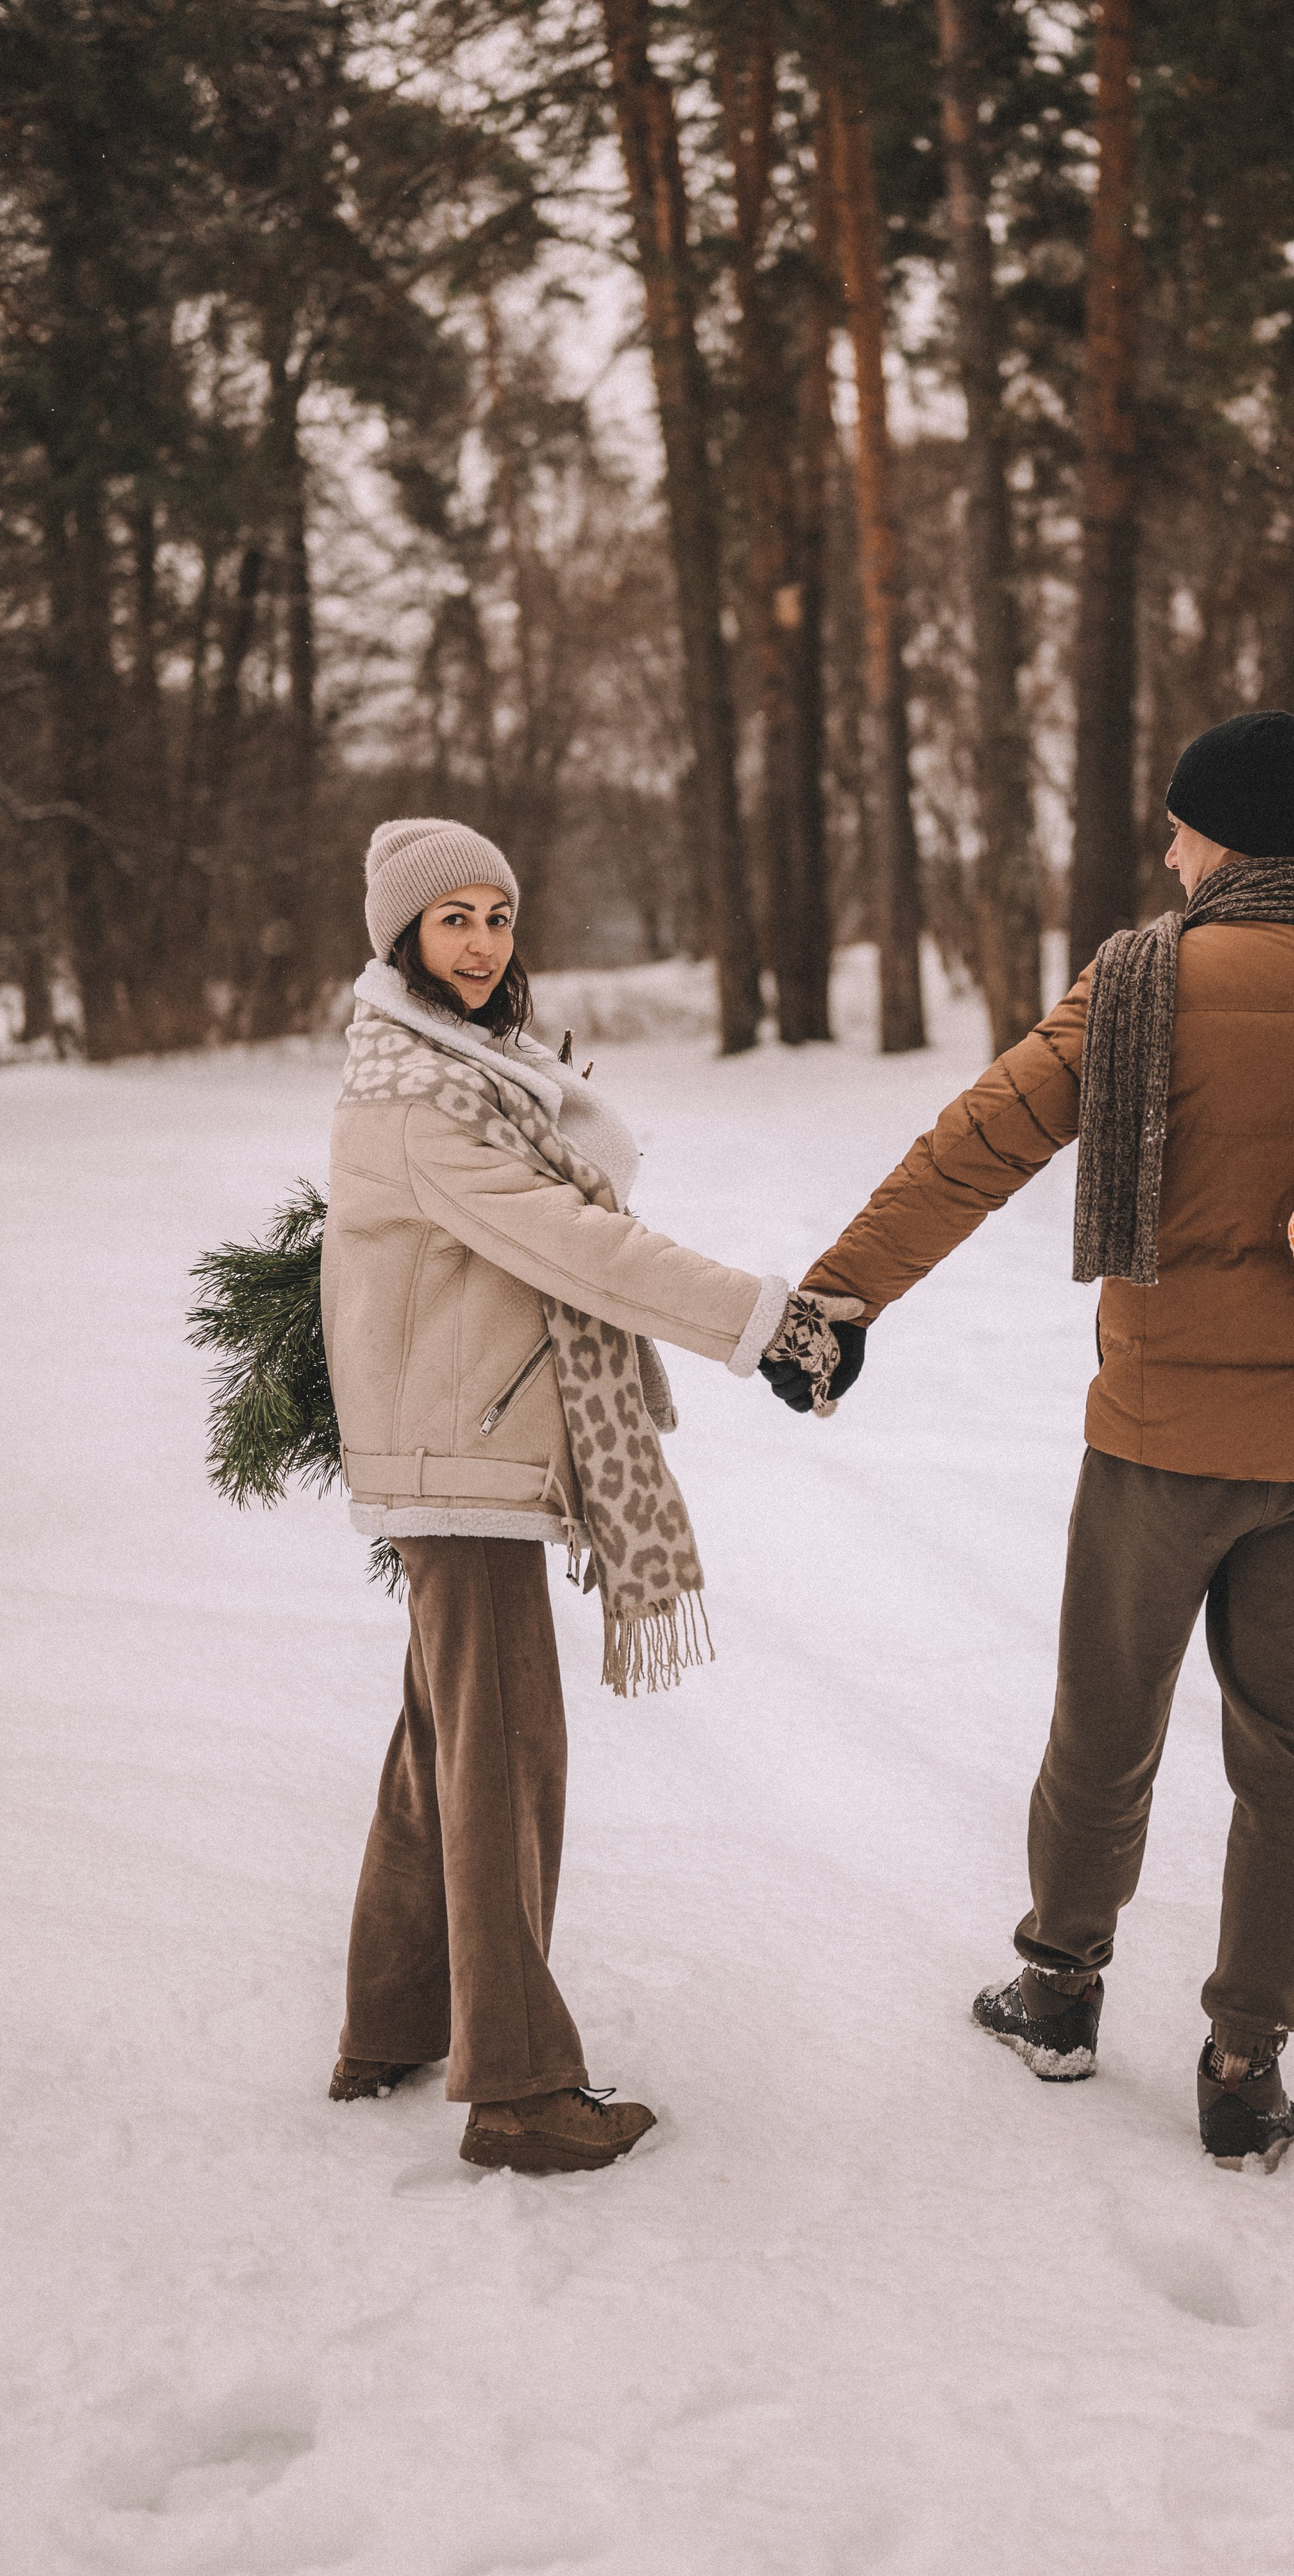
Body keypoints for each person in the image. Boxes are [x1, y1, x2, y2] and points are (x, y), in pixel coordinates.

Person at [791, 714, 1294, 2168]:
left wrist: (839, 1293)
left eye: (1178, 827)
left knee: (1105, 1722)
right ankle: (1244, 2061)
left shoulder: (1139, 983)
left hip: (1158, 1439)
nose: (1166, 851)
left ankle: (1056, 1991)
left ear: (1223, 833)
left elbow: (975, 1144)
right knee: (1286, 1748)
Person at [322, 817, 855, 2173]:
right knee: (503, 1758)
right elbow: (581, 1250)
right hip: (470, 1459)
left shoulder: (467, 1070)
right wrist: (766, 1323)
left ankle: (391, 2018)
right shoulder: (419, 1098)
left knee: (439, 1744)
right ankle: (515, 2090)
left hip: (465, 1448)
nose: (483, 940)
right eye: (454, 917)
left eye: (498, 915)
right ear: (403, 936)